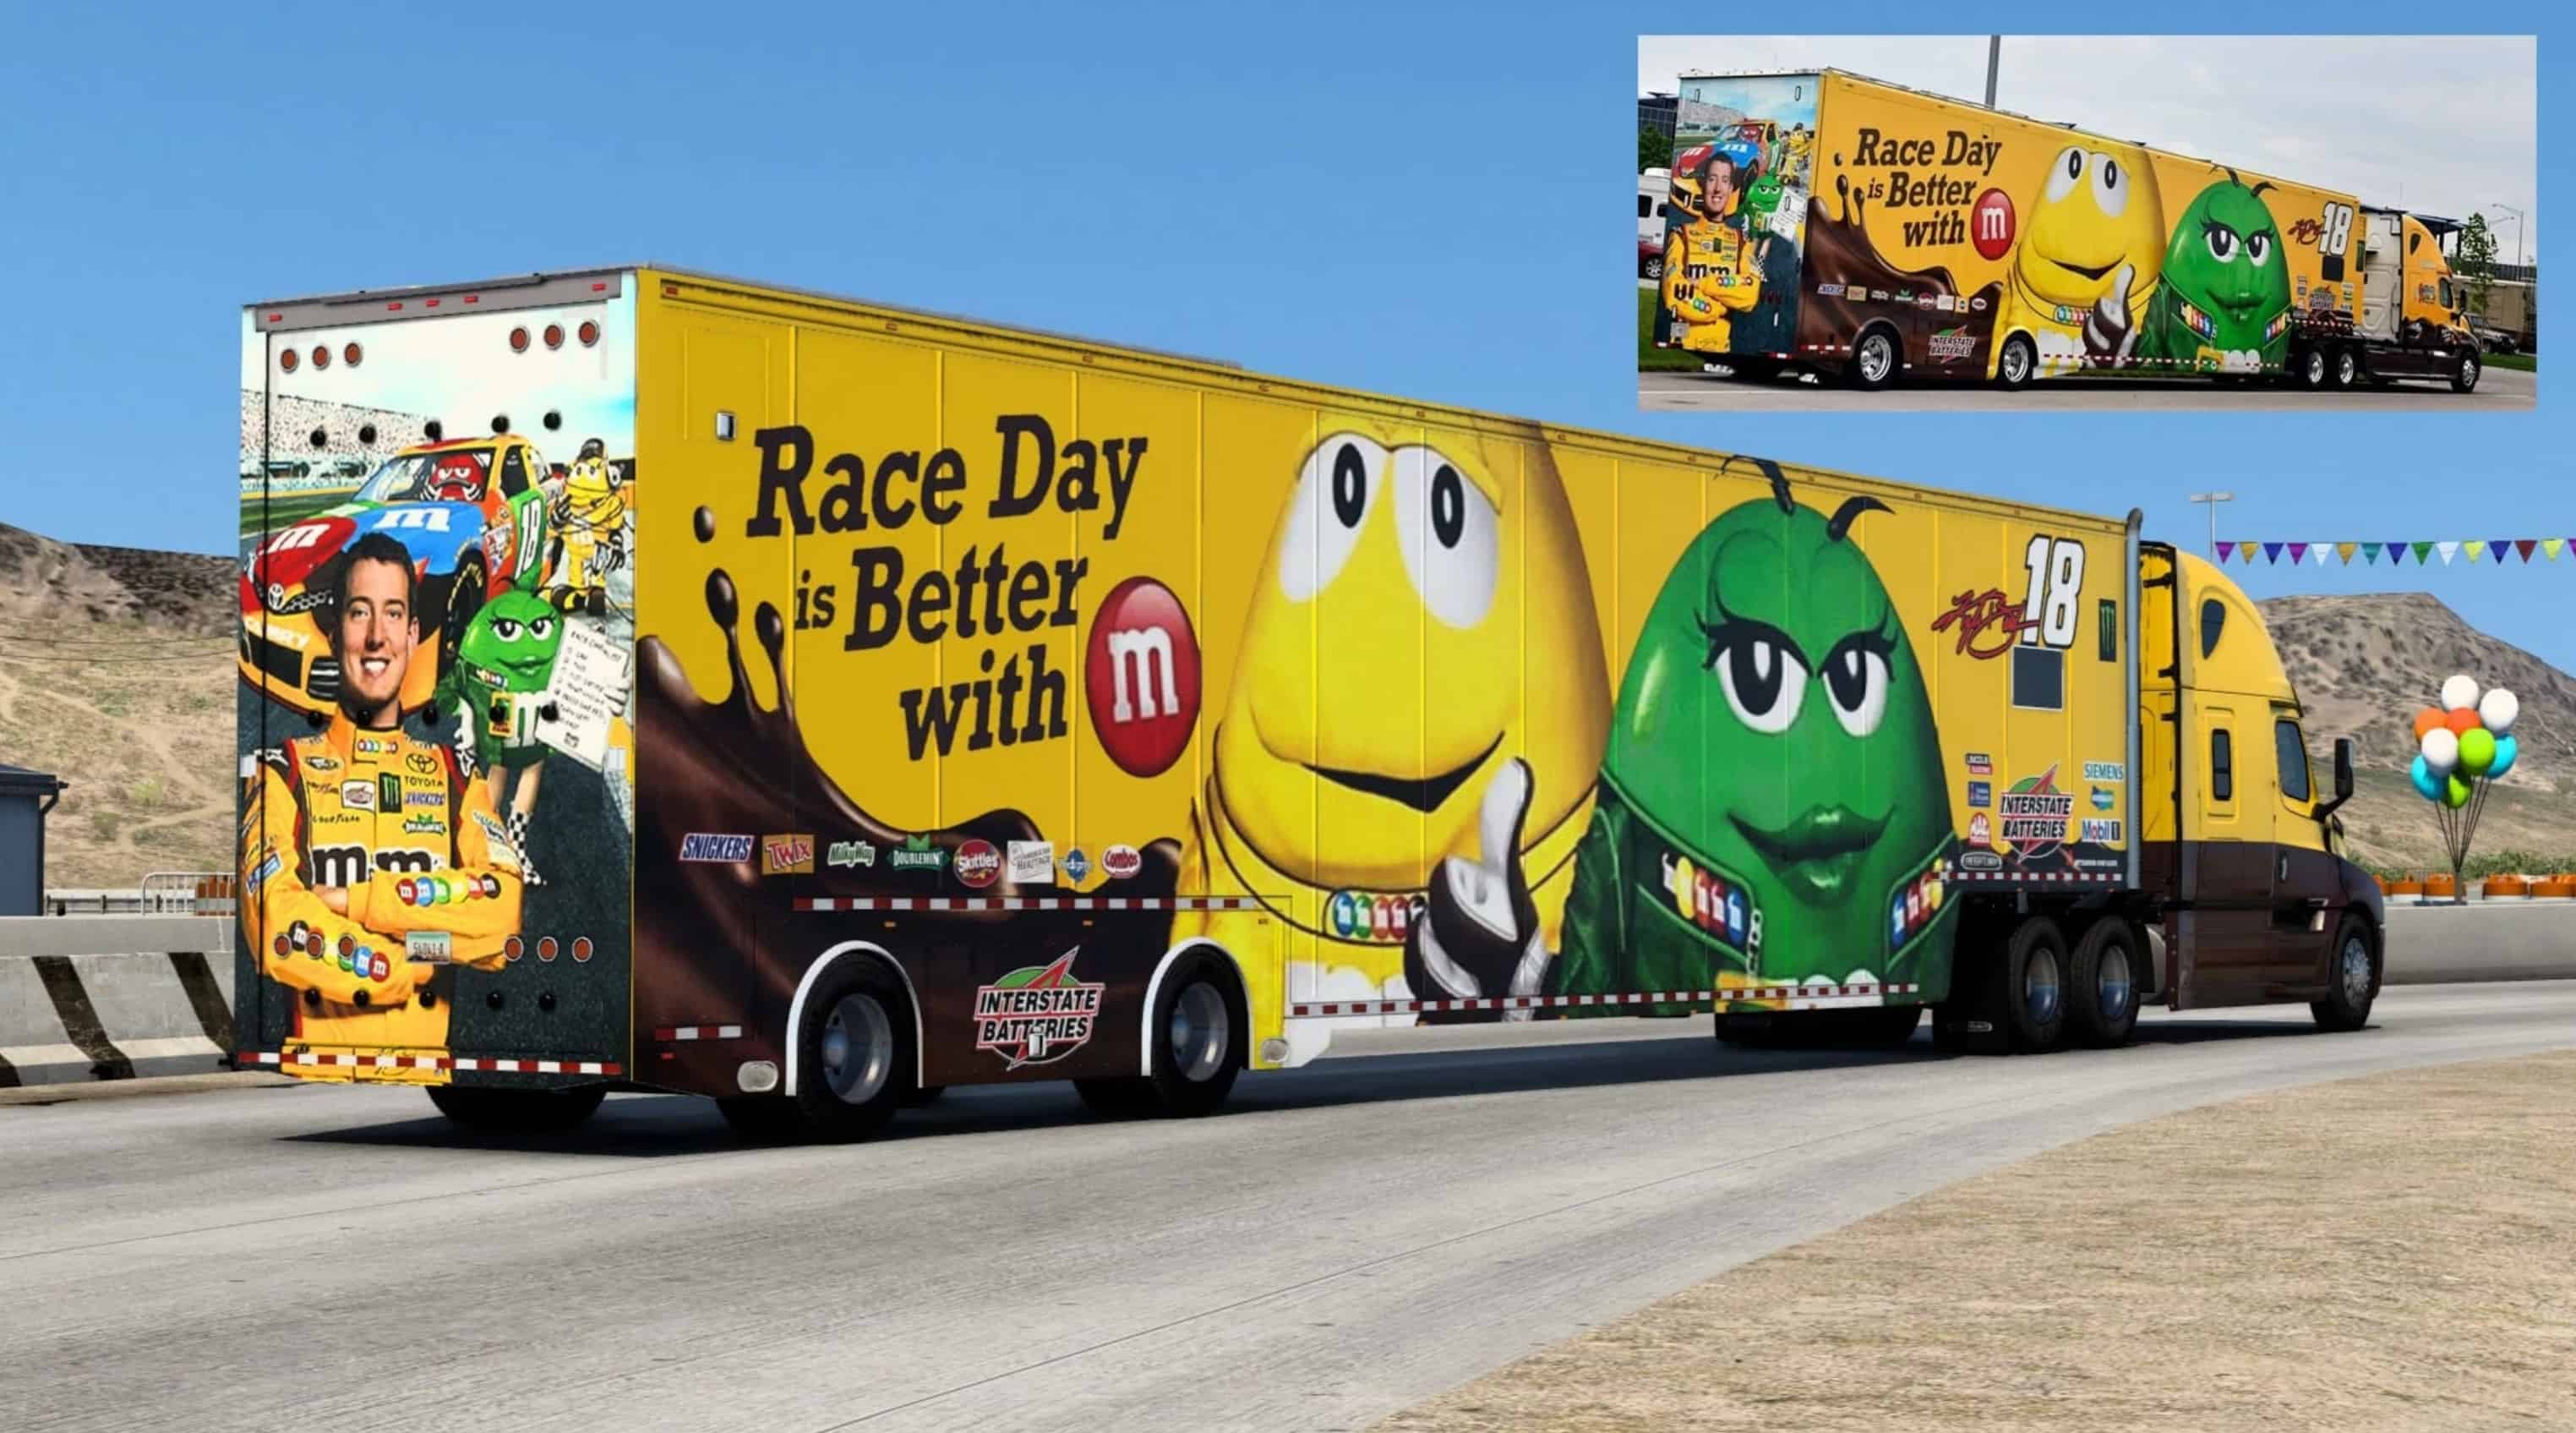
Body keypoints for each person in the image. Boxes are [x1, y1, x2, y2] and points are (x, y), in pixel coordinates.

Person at [239, 532, 525, 1078]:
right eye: (359, 613)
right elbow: (278, 926)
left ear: (413, 635)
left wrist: (356, 900)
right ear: (333, 630)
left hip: (426, 1083)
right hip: (317, 1084)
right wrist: (411, 960)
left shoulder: (455, 777)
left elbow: (501, 913)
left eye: (393, 614)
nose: (376, 637)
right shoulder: (282, 773)